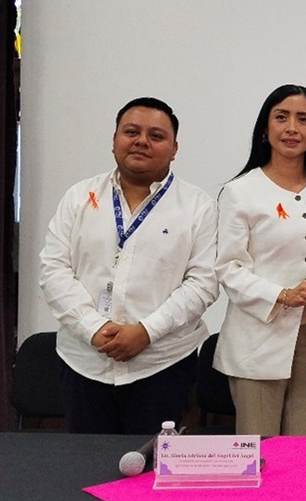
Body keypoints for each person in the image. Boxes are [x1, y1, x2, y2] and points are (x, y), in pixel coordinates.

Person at [40, 97, 218, 434]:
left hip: (162, 363)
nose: (141, 141)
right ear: (114, 140)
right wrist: (93, 327)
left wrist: (145, 332)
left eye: (156, 136)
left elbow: (203, 284)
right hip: (84, 361)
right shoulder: (79, 197)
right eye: (131, 131)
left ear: (174, 147)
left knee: (151, 473)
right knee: (85, 470)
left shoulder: (198, 207)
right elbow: (53, 269)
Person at [213, 84, 306, 436]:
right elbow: (228, 267)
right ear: (265, 128)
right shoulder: (239, 191)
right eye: (282, 117)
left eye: (303, 119)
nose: (292, 127)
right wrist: (282, 295)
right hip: (258, 339)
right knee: (260, 450)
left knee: (304, 453)